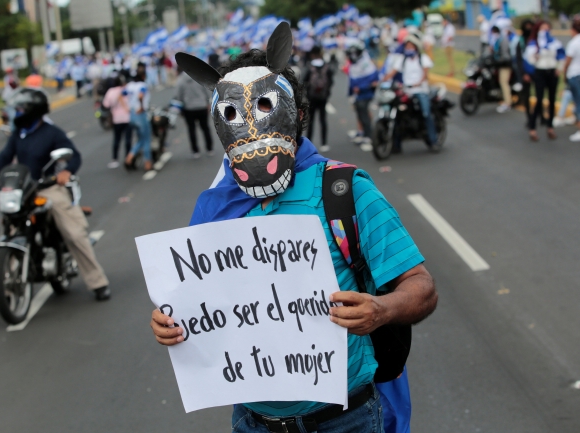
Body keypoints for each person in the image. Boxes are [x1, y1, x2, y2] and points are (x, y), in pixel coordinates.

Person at [152, 23, 438, 433]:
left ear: (298, 114)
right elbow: (195, 308)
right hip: (253, 422)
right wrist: (169, 323)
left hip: (345, 420)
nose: (249, 127)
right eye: (231, 113)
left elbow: (421, 287)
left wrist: (382, 310)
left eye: (265, 107)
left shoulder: (342, 190)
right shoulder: (213, 208)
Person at [0, 89, 110, 304]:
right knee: (12, 229)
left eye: (20, 109)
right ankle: (6, 289)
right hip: (24, 189)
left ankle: (98, 282)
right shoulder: (19, 133)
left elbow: (73, 155)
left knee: (74, 232)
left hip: (48, 187)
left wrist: (67, 171)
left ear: (33, 111)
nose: (17, 113)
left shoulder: (52, 132)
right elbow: (5, 156)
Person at [384, 34, 438, 152]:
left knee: (426, 114)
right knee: (396, 113)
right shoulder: (402, 60)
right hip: (406, 91)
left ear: (416, 47)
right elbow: (392, 73)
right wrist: (383, 80)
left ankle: (433, 141)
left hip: (420, 90)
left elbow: (425, 74)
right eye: (407, 46)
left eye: (411, 46)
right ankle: (396, 145)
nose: (408, 48)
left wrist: (418, 83)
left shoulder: (423, 58)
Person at [524, 21, 566, 141]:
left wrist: (559, 68)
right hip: (540, 72)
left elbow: (561, 55)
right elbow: (529, 60)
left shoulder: (554, 42)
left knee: (552, 100)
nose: (545, 31)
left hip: (551, 72)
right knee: (539, 99)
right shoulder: (534, 43)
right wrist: (535, 56)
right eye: (543, 28)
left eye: (547, 28)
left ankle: (550, 127)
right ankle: (532, 128)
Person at [173, 68, 214, 158]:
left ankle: (195, 151)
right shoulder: (199, 77)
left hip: (189, 108)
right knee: (205, 128)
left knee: (191, 129)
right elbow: (207, 91)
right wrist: (208, 103)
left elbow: (178, 96)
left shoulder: (181, 80)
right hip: (202, 106)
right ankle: (209, 148)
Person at [302, 46, 334, 152]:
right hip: (323, 97)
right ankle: (324, 143)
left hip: (311, 97)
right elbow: (330, 81)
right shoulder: (326, 66)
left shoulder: (310, 67)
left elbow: (304, 81)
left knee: (310, 120)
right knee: (323, 119)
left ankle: (309, 143)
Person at [346, 42, 378, 145]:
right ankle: (362, 132)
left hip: (365, 93)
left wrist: (361, 88)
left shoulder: (366, 63)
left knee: (364, 113)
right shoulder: (354, 64)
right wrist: (351, 92)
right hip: (357, 94)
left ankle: (369, 135)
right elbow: (352, 79)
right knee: (359, 113)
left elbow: (373, 80)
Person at [125, 65, 153, 171]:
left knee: (140, 138)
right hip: (140, 114)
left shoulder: (130, 85)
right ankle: (147, 162)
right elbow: (141, 95)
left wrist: (127, 107)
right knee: (146, 139)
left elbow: (122, 94)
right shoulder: (142, 85)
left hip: (132, 114)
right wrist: (141, 106)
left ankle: (130, 156)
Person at [103, 72, 132, 168]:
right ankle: (128, 157)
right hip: (127, 118)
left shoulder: (110, 91)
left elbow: (106, 104)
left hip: (116, 119)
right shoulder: (126, 90)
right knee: (128, 140)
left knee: (117, 140)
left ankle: (115, 159)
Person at [564, 15, 580, 142]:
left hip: (575, 75)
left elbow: (567, 62)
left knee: (578, 102)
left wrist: (564, 74)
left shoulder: (573, 43)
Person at [514, 19, 534, 121]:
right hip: (525, 72)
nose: (528, 28)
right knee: (526, 95)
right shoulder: (521, 42)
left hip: (537, 72)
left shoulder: (535, 40)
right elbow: (519, 60)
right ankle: (529, 117)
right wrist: (523, 73)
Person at [490, 25, 513, 113]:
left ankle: (508, 103)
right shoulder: (498, 40)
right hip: (500, 65)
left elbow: (505, 55)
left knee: (504, 82)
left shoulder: (503, 40)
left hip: (505, 65)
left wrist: (498, 60)